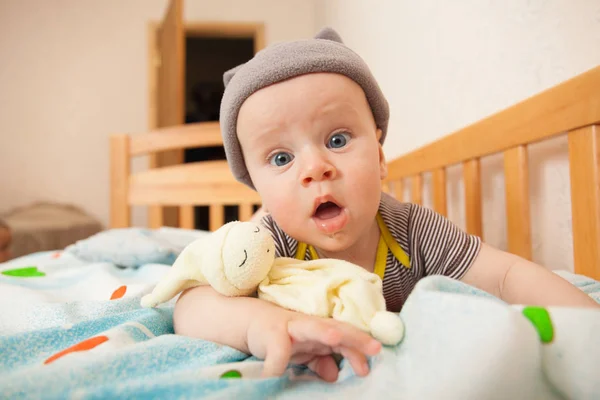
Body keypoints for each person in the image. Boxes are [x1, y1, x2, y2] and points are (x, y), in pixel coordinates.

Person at [173, 27, 599, 382]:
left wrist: (590, 324)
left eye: (337, 140)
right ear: (258, 191)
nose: (315, 168)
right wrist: (259, 325)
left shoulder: (413, 230)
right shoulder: (268, 243)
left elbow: (506, 276)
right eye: (281, 159)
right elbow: (191, 306)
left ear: (378, 157)